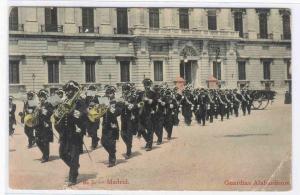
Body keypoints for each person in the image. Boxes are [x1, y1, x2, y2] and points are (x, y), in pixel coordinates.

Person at [54, 80, 86, 186]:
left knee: (74, 155)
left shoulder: (79, 102)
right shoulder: (65, 101)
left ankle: (72, 177)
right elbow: (60, 117)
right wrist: (57, 115)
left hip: (75, 132)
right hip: (65, 133)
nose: (67, 93)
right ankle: (75, 166)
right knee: (62, 154)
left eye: (70, 90)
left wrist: (71, 111)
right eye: (66, 91)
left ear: (75, 91)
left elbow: (82, 115)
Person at [101, 85, 121, 167]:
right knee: (103, 142)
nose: (108, 94)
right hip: (105, 125)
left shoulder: (117, 102)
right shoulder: (104, 101)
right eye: (107, 93)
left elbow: (117, 112)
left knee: (111, 143)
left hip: (113, 125)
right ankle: (112, 152)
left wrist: (109, 107)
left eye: (110, 93)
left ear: (113, 93)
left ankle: (112, 160)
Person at [35, 89, 54, 163]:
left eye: (42, 97)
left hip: (46, 125)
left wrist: (42, 110)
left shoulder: (48, 104)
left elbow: (50, 113)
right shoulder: (39, 104)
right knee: (37, 141)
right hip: (39, 125)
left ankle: (46, 156)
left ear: (45, 97)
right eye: (40, 97)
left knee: (45, 141)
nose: (41, 98)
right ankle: (45, 153)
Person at [139, 78, 157, 151]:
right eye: (145, 85)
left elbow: (155, 102)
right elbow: (138, 103)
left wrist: (149, 100)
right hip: (141, 113)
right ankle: (148, 141)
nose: (146, 86)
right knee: (141, 129)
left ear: (150, 85)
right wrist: (141, 103)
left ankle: (149, 145)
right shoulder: (141, 93)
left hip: (149, 113)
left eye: (148, 85)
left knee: (150, 130)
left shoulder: (153, 93)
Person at [85, 85, 100, 150]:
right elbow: (84, 105)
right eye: (90, 90)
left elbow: (102, 106)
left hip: (95, 116)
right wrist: (87, 109)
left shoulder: (98, 97)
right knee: (89, 131)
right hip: (88, 116)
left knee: (94, 131)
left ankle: (94, 145)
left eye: (92, 90)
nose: (91, 92)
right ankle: (96, 138)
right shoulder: (87, 98)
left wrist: (95, 105)